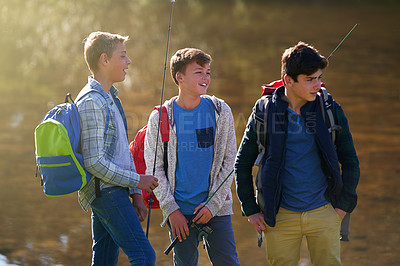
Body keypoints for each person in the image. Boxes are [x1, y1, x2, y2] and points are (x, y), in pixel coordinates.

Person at [235, 41, 360, 265]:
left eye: (319, 77)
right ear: (288, 81)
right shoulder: (264, 112)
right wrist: (250, 209)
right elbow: (242, 163)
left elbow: (350, 161)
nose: (318, 85)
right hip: (279, 216)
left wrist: (342, 207)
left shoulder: (330, 110)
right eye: (310, 79)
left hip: (325, 212)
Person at [144, 48, 240, 266]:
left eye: (208, 72)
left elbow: (230, 161)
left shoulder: (220, 110)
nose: (206, 77)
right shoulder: (160, 117)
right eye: (199, 72)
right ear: (180, 77)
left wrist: (212, 205)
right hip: (179, 213)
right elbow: (154, 168)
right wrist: (171, 210)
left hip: (216, 209)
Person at [76, 31, 158, 266]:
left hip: (114, 191)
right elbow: (94, 162)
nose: (128, 61)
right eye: (122, 56)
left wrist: (135, 194)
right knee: (144, 255)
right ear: (104, 59)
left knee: (104, 260)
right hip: (106, 193)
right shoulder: (91, 102)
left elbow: (123, 150)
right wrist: (137, 180)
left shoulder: (111, 97)